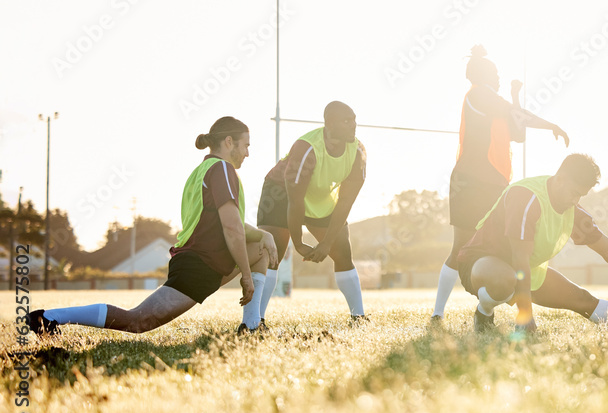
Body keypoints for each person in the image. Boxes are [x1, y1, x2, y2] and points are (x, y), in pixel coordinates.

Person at [29, 117, 278, 335]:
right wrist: (247, 276)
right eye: (246, 145)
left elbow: (227, 221)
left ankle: (252, 326)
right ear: (228, 142)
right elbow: (232, 228)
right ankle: (49, 317)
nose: (248, 152)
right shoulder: (222, 168)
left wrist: (262, 234)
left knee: (262, 247)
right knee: (137, 320)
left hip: (204, 262)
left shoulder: (203, 170)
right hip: (199, 266)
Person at [455, 153, 608, 332]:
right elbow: (519, 258)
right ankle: (484, 313)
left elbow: (607, 248)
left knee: (582, 299)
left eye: (581, 196)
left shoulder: (572, 208)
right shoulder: (526, 198)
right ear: (560, 179)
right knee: (504, 278)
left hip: (525, 270)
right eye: (574, 192)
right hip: (479, 264)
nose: (576, 200)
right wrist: (525, 315)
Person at [431, 45, 570, 322]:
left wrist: (515, 95)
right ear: (483, 74)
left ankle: (486, 308)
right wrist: (550, 125)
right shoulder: (479, 94)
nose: (498, 76)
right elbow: (519, 117)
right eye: (495, 72)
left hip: (496, 185)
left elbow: (518, 133)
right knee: (460, 246)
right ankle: (438, 312)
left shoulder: (495, 103)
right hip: (470, 182)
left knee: (496, 246)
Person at [254, 101, 367, 328]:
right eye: (347, 121)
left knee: (342, 250)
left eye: (354, 119)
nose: (353, 125)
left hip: (319, 195)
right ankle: (255, 321)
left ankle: (359, 318)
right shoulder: (306, 149)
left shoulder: (358, 152)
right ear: (330, 124)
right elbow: (295, 202)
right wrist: (298, 242)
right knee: (271, 253)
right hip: (281, 193)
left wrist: (326, 244)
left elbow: (345, 203)